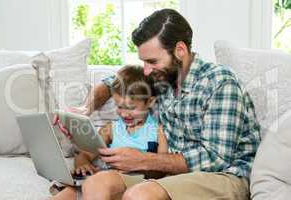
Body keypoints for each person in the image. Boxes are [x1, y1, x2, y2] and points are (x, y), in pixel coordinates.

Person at [59, 8, 261, 200]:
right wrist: (85, 109)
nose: (146, 70)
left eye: (152, 61)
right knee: (76, 191)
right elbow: (113, 82)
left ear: (180, 50)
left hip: (224, 176)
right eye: (144, 62)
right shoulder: (163, 77)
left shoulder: (220, 83)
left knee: (139, 195)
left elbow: (216, 159)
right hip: (169, 175)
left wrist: (143, 160)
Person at [51, 65, 168, 200]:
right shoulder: (110, 129)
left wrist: (140, 166)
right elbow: (85, 155)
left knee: (99, 183)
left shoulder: (158, 131)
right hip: (103, 182)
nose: (124, 114)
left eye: (131, 107)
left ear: (150, 101)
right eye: (119, 106)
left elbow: (161, 171)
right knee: (67, 193)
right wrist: (83, 164)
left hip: (135, 185)